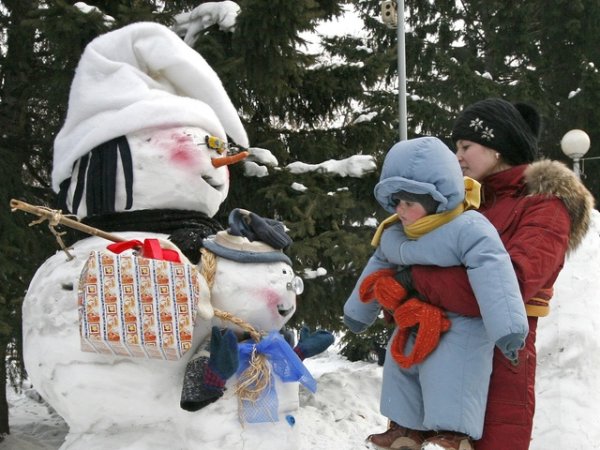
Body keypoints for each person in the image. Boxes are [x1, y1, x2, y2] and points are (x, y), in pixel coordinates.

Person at [366, 98, 595, 450]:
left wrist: (413, 282)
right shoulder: (461, 203)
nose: (456, 156)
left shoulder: (545, 205)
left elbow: (510, 285)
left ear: (498, 147)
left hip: (501, 357)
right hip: (435, 345)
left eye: (465, 146)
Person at [343, 136, 530, 450]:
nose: (400, 210)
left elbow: (493, 273)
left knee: (450, 370)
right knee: (402, 366)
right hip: (414, 317)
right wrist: (357, 312)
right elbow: (375, 270)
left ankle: (453, 435)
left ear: (437, 198)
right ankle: (406, 428)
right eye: (396, 202)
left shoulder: (468, 228)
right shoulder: (394, 234)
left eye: (409, 203)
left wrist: (508, 330)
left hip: (461, 324)